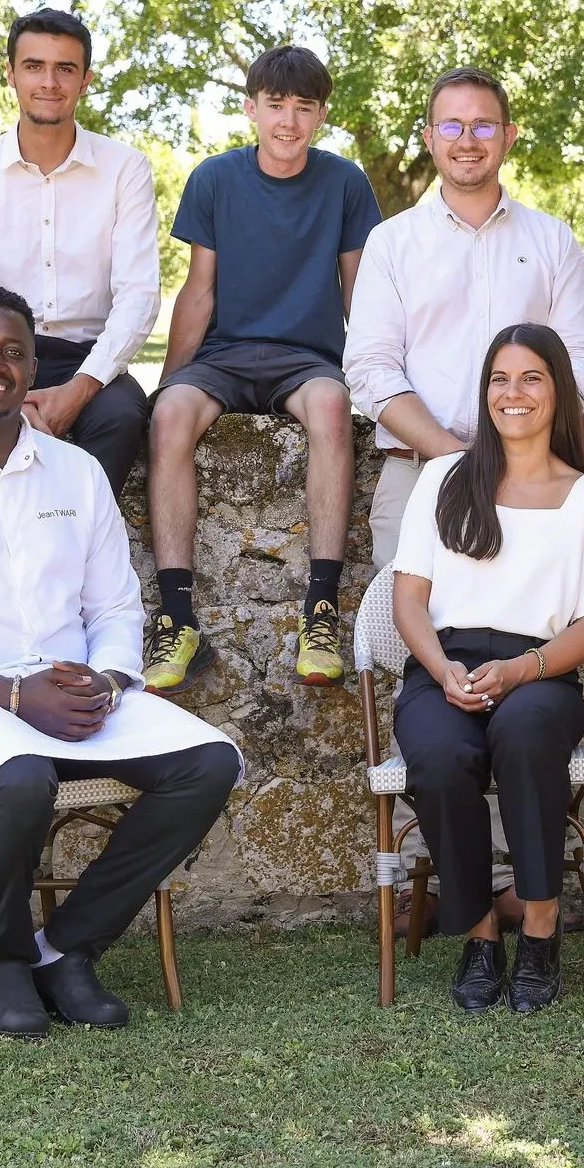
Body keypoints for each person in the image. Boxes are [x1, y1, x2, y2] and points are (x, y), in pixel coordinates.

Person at [0, 287, 242, 1039]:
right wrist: (7, 693)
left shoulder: (75, 473)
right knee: (20, 777)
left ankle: (65, 948)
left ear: (32, 366)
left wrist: (109, 678)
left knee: (210, 761)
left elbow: (117, 608)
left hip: (72, 694)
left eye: (11, 352)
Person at [389, 325, 584, 1015]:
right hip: (444, 663)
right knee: (435, 755)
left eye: (531, 378)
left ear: (558, 391)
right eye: (499, 379)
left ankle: (542, 928)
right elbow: (408, 598)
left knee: (523, 737)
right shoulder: (443, 477)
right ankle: (482, 936)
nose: (512, 394)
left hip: (542, 672)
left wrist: (521, 671)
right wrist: (442, 669)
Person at [146, 46, 383, 691]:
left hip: (306, 360)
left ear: (321, 115)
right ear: (251, 108)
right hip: (224, 355)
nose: (288, 120)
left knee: (332, 408)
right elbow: (199, 290)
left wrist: (371, 379)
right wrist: (170, 378)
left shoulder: (345, 183)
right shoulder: (215, 179)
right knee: (168, 415)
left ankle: (321, 609)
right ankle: (176, 617)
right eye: (275, 105)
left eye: (303, 108)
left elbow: (358, 290)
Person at [346, 68, 584, 570]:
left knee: (530, 636)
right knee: (408, 640)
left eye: (484, 126)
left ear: (508, 136)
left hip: (535, 475)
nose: (467, 140)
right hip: (418, 474)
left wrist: (517, 452)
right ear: (429, 138)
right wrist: (458, 459)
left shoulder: (553, 241)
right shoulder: (391, 242)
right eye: (451, 126)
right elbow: (369, 371)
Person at [0, 8, 161, 499]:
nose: (49, 82)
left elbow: (139, 294)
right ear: (11, 73)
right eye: (34, 66)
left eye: (65, 69)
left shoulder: (125, 170)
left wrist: (81, 388)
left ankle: (70, 557)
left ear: (85, 80)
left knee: (121, 417)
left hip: (86, 357)